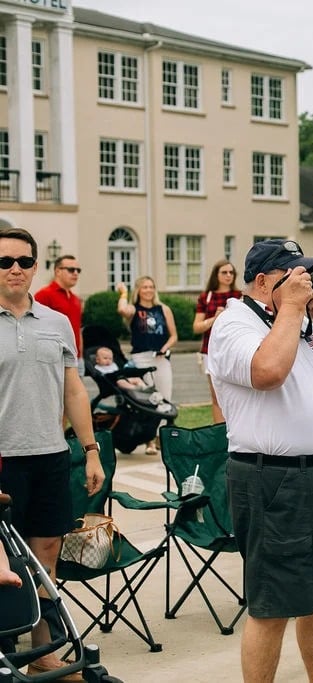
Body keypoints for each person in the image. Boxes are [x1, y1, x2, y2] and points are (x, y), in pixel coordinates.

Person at [207, 238, 313, 683]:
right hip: (276, 479)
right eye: (293, 276)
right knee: (273, 604)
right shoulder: (235, 324)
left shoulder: (306, 325)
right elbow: (268, 372)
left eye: (309, 276)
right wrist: (293, 312)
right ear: (261, 281)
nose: (306, 283)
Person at [0, 226, 104, 677]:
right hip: (2, 460)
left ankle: (42, 651)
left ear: (36, 266)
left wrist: (91, 449)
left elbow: (74, 391)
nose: (15, 269)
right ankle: (5, 653)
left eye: (23, 261)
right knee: (1, 562)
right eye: (5, 262)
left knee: (44, 556)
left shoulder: (58, 323)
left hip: (48, 455)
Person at [116, 276, 177, 454]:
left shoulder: (163, 309)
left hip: (161, 358)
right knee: (149, 398)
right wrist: (123, 293)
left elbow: (173, 335)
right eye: (144, 287)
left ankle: (162, 437)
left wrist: (165, 348)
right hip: (141, 358)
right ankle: (149, 439)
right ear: (139, 290)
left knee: (165, 397)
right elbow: (122, 309)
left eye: (151, 286)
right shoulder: (134, 309)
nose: (148, 290)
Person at [193, 260, 242, 424]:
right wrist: (215, 319)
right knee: (216, 395)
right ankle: (219, 433)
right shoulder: (206, 297)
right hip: (211, 350)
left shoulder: (240, 296)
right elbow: (197, 327)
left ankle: (236, 428)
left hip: (236, 349)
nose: (228, 275)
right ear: (216, 274)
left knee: (238, 393)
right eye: (224, 272)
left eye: (231, 272)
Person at [34, 254, 83, 360]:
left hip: (77, 358)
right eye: (71, 269)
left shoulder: (76, 299)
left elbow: (78, 329)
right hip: (56, 358)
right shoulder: (43, 295)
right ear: (57, 271)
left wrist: (81, 355)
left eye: (78, 270)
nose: (75, 273)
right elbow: (35, 328)